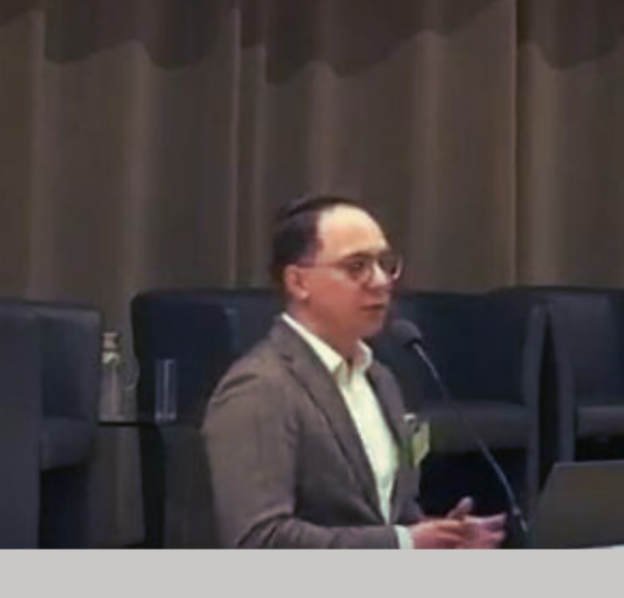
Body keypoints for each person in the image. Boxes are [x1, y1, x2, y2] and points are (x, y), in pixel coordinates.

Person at [202, 194, 504, 550]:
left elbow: (382, 518)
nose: (380, 281)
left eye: (385, 264)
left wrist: (438, 537)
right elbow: (258, 541)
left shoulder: (380, 379)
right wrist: (403, 544)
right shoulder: (259, 389)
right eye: (356, 266)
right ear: (298, 282)